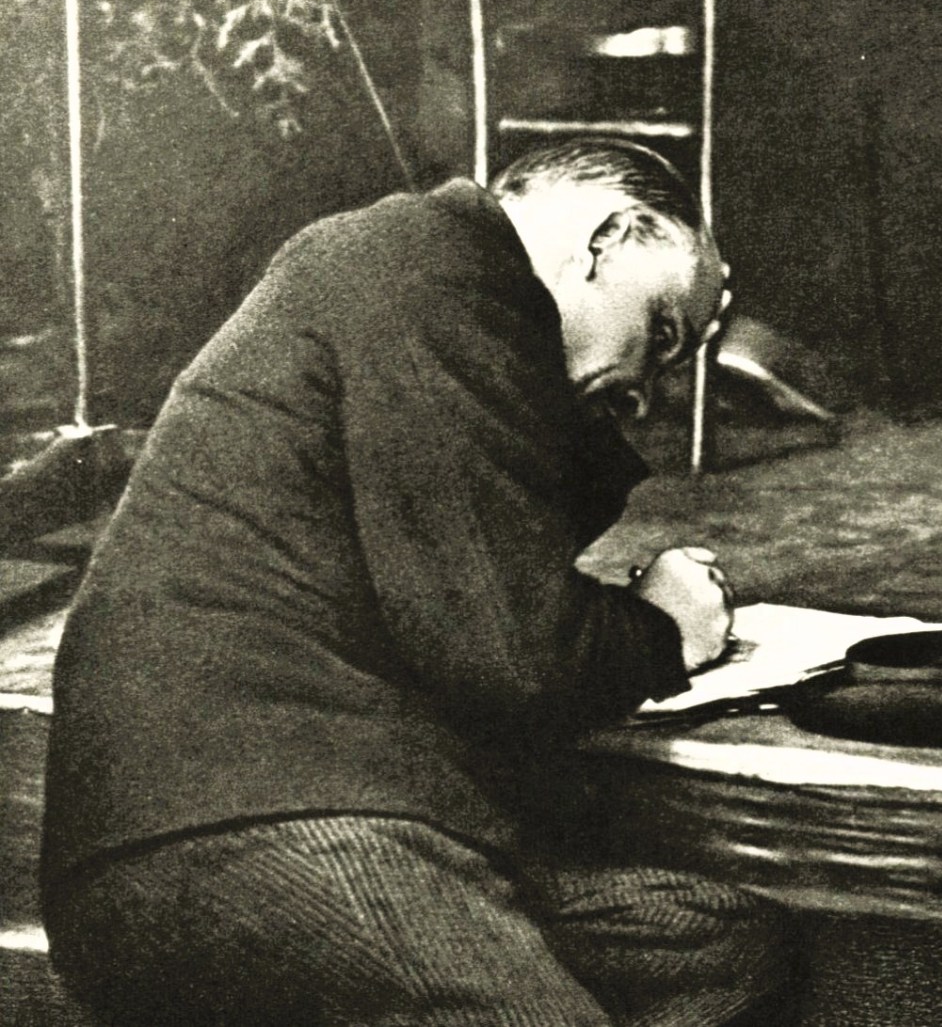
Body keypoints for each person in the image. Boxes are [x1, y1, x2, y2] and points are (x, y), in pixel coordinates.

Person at [42, 139, 796, 1026]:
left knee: (712, 947)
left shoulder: (437, 284)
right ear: (611, 237)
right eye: (661, 330)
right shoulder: (433, 274)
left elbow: (483, 568)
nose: (644, 397)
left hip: (294, 808)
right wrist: (663, 627)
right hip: (242, 820)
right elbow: (515, 655)